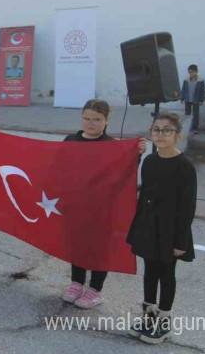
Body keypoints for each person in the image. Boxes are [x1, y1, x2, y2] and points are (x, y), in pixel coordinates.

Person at [61, 99, 148, 309]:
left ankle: (95, 289)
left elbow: (124, 175)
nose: (91, 123)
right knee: (77, 244)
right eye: (87, 118)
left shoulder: (112, 145)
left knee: (99, 248)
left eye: (97, 120)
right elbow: (58, 167)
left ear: (107, 120)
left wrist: (136, 154)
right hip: (77, 204)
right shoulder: (70, 140)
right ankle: (76, 282)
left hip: (103, 208)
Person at [126, 112, 196, 345]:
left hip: (171, 229)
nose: (161, 134)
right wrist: (139, 226)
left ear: (178, 135)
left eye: (167, 130)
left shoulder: (184, 165)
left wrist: (180, 241)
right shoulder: (150, 160)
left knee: (167, 273)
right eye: (156, 130)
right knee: (150, 272)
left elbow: (188, 206)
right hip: (149, 225)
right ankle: (148, 316)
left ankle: (164, 322)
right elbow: (144, 194)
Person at [180, 65, 204, 134]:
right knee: (187, 114)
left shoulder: (200, 80)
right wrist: (181, 98)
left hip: (196, 100)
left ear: (196, 72)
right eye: (189, 72)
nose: (191, 74)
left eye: (193, 72)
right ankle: (187, 127)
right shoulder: (186, 80)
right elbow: (183, 89)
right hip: (187, 99)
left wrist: (201, 100)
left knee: (195, 114)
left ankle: (195, 128)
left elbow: (202, 91)